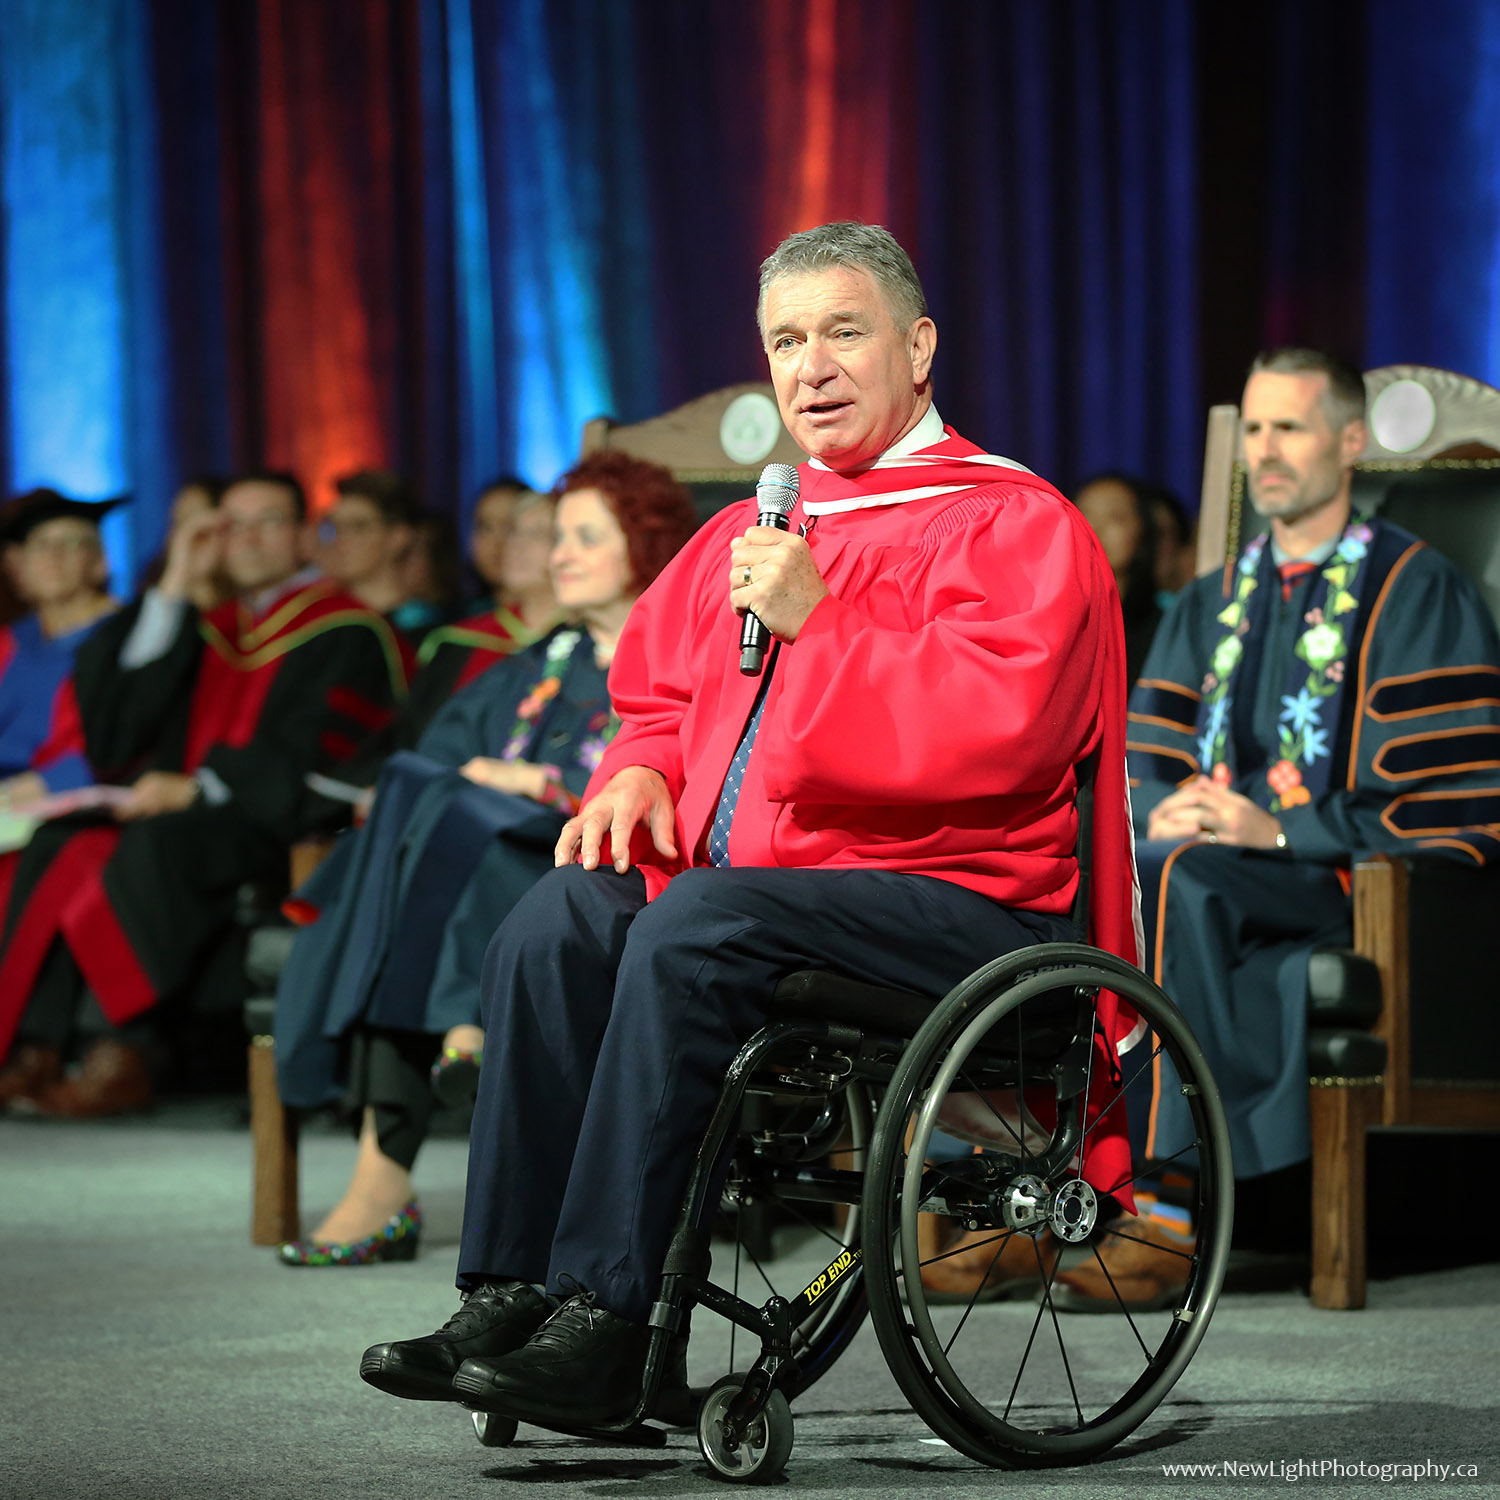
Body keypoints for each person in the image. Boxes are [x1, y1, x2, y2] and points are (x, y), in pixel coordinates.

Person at [360, 221, 1139, 1426]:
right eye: (786, 339)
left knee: (703, 921)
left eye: (842, 331)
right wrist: (636, 773)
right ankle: (512, 1290)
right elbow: (662, 699)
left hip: (955, 905)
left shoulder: (1017, 526)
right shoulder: (753, 529)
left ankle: (612, 1324)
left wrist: (823, 625)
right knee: (559, 915)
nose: (810, 365)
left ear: (918, 346)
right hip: (768, 896)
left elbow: (1001, 732)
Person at [1059, 348, 1500, 1312]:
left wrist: (1282, 830)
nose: (1264, 451)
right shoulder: (1216, 597)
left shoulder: (1416, 589)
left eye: (1288, 428)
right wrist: (1160, 801)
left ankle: (1166, 1211)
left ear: (1348, 442)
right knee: (1093, 864)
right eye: (1253, 429)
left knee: (1183, 876)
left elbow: (1449, 799)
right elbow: (1150, 751)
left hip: (1348, 880)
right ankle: (1034, 1193)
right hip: (1208, 867)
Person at [272, 455, 697, 1267]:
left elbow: (695, 785)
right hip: (477, 867)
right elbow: (440, 763)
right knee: (423, 798)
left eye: (581, 537)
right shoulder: (545, 662)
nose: (556, 555)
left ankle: (385, 1176)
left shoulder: (687, 657)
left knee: (440, 847)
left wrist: (544, 782)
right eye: (554, 537)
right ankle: (453, 1039)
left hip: (599, 873)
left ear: (644, 546)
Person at [0, 473, 406, 1116]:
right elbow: (117, 732)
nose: (244, 538)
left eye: (267, 521)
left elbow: (322, 758)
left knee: (155, 844)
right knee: (60, 839)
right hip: (188, 815)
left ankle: (122, 1047)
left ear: (303, 534)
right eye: (229, 524)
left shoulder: (348, 629)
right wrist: (174, 584)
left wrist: (200, 787)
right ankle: (37, 1047)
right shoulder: (208, 625)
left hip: (278, 823)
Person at [340, 486, 562, 786]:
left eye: (536, 534)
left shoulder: (592, 650)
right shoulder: (456, 642)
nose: (513, 545)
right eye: (513, 532)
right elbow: (414, 741)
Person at [0, 492, 122, 810]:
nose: (53, 556)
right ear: (20, 568)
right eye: (40, 545)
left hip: (73, 804)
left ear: (101, 562)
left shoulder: (127, 637)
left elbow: (124, 744)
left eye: (71, 543)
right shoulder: (11, 642)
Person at [1073, 472, 1165, 685]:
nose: (1094, 528)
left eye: (1115, 517)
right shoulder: (1049, 618)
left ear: (1142, 532)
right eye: (1083, 514)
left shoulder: (1160, 629)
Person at [319, 469, 430, 645]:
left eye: (358, 527)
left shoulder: (422, 628)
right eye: (333, 527)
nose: (339, 540)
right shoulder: (322, 622)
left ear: (397, 536)